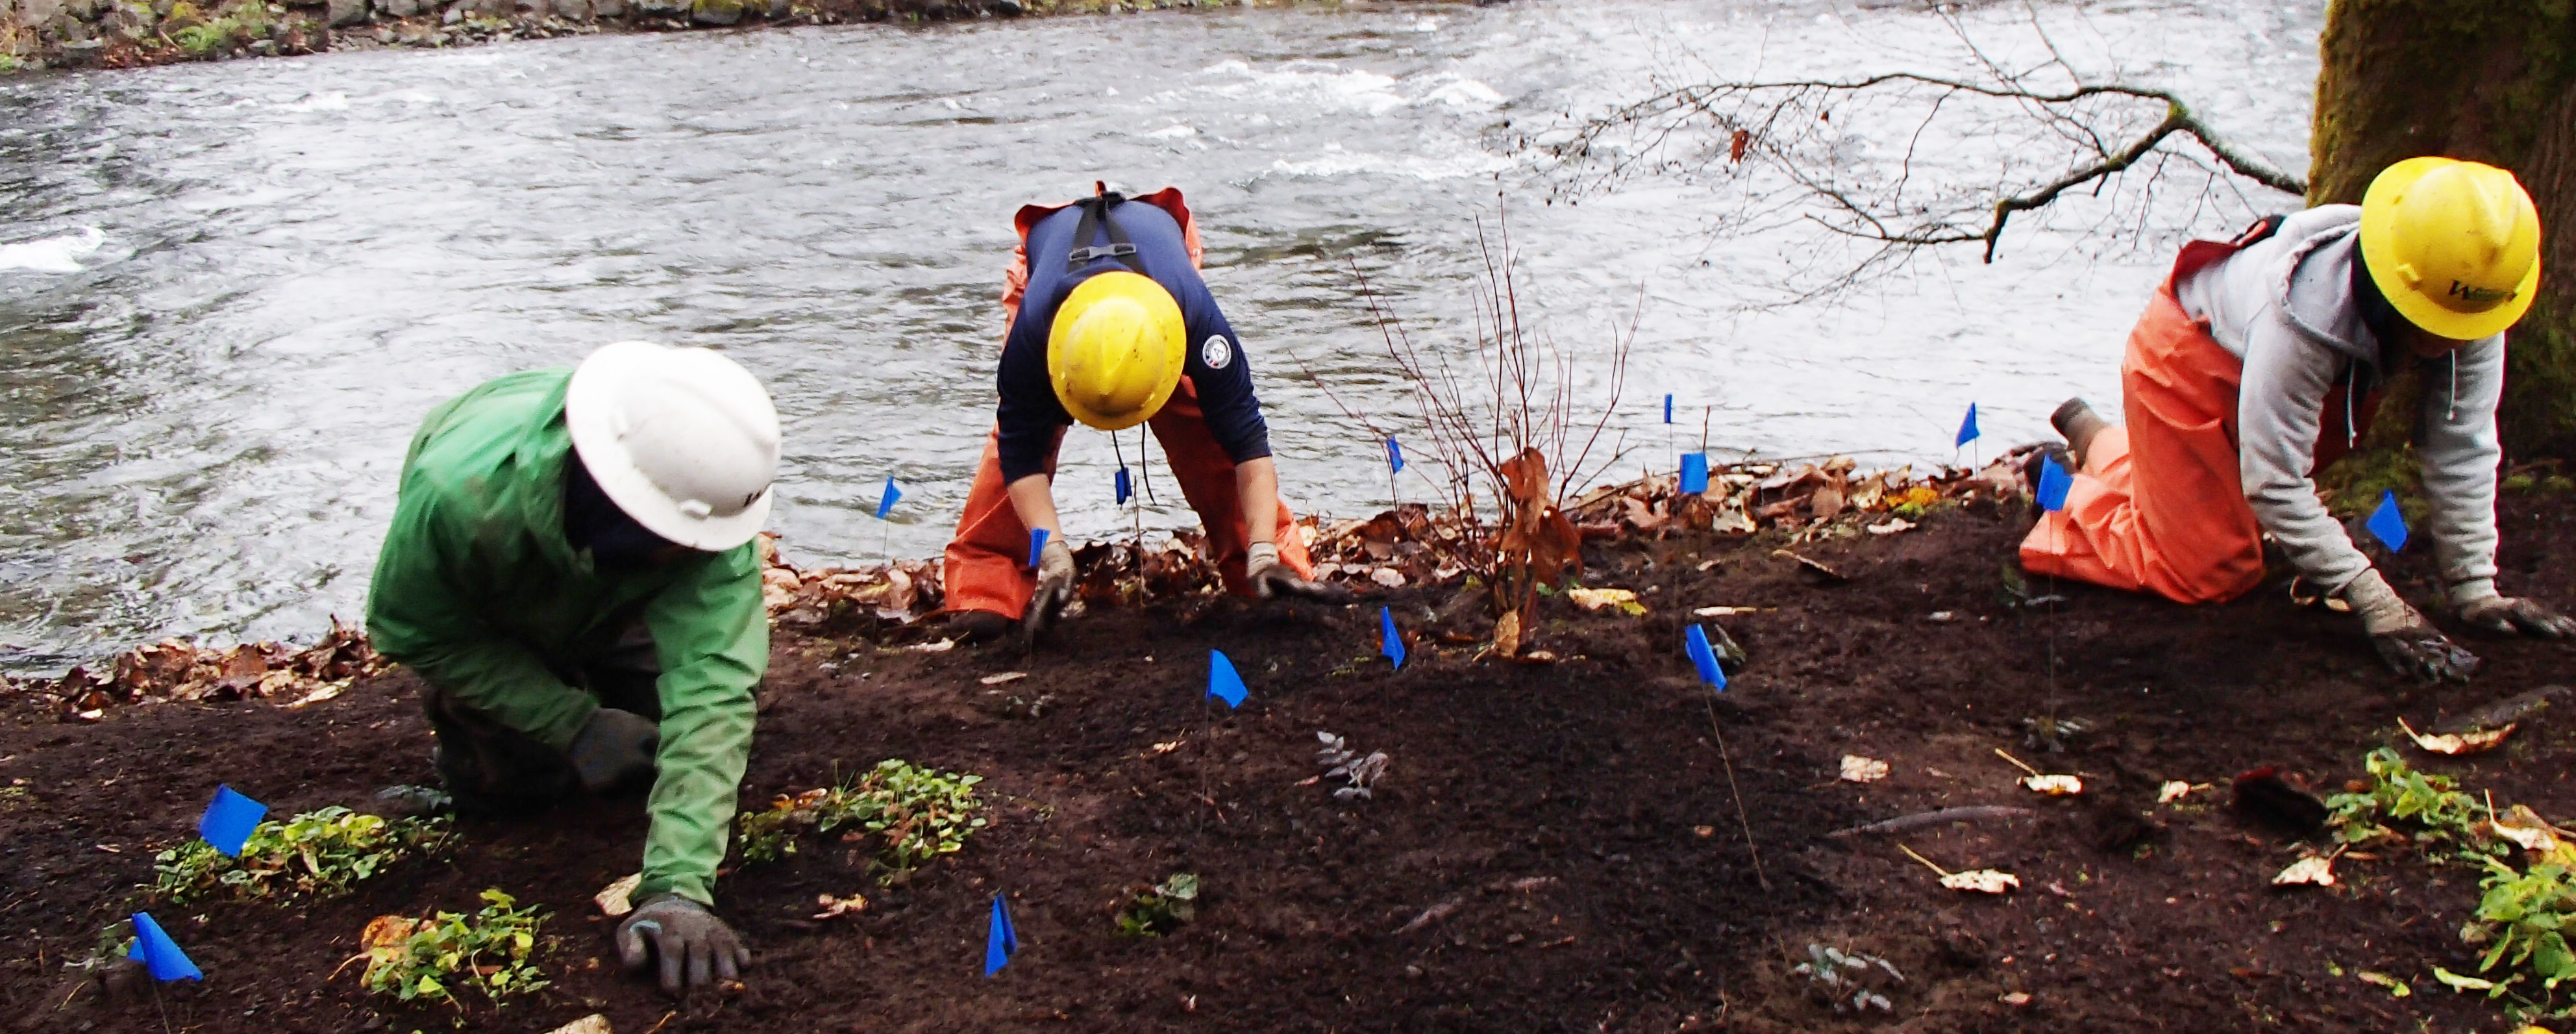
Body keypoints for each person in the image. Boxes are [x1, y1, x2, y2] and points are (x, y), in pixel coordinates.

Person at [2024, 157, 2574, 681]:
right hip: (2184, 365)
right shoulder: (2306, 311)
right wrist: (2375, 600)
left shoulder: (2472, 296)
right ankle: (2062, 494)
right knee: (2212, 570)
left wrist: (2476, 590)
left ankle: (2102, 441)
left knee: (2224, 520)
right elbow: (2276, 482)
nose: (2450, 342)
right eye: (2434, 324)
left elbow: (2463, 445)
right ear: (2398, 285)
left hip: (2273, 383)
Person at [365, 341, 779, 995]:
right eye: (672, 543)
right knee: (515, 786)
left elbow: (715, 690)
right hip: (501, 582)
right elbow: (411, 627)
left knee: (667, 747)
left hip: (617, 580)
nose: (688, 554)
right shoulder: (457, 498)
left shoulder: (708, 519)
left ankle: (605, 682)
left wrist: (677, 888)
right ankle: (475, 779)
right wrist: (570, 723)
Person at [943, 184, 1334, 642]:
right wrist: (1054, 556)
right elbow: (1020, 457)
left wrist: (1264, 552)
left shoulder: (1198, 322)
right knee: (1023, 431)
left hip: (1159, 265)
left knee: (1207, 431)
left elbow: (1249, 445)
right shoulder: (1034, 336)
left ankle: (1267, 571)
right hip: (1050, 265)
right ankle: (986, 588)